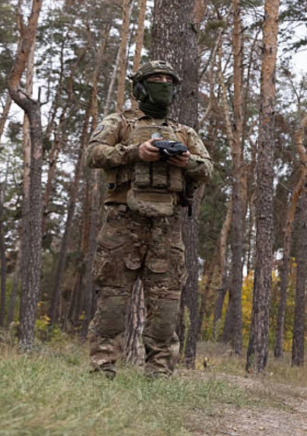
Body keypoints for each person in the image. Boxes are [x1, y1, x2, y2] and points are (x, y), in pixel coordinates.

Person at [84, 60, 213, 379]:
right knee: (112, 301)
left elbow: (208, 169)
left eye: (168, 82)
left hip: (167, 229)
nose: (162, 86)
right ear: (139, 87)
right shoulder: (119, 123)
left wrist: (186, 161)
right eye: (155, 80)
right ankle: (102, 372)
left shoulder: (184, 132)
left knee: (166, 307)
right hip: (122, 224)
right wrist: (133, 153)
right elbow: (93, 154)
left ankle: (159, 375)